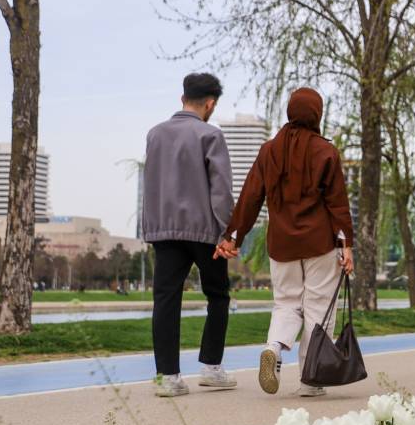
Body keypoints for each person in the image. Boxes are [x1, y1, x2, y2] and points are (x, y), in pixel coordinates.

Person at [215, 87, 354, 397]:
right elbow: (337, 204)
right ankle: (310, 381)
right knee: (318, 308)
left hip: (282, 245)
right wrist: (346, 245)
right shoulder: (326, 152)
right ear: (317, 114)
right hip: (320, 245)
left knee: (286, 303)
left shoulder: (269, 150)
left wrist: (233, 236)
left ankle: (274, 348)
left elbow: (251, 196)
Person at [142, 72, 237, 397]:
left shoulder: (155, 134)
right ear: (210, 103)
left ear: (183, 98)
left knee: (165, 300)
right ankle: (211, 367)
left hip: (164, 230)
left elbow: (151, 183)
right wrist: (228, 232)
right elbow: (221, 189)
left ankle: (167, 377)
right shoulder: (211, 135)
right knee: (218, 295)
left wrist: (151, 228)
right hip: (204, 231)